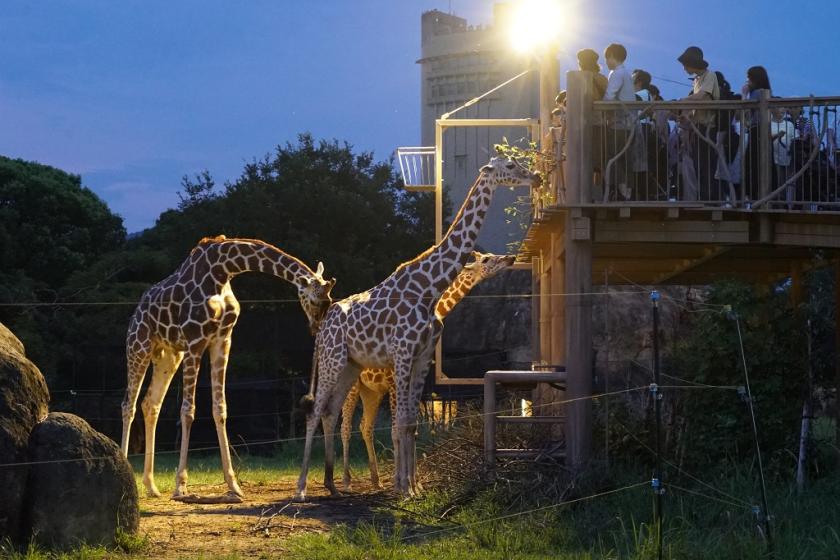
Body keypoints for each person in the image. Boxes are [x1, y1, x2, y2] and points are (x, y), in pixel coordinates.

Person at [676, 46, 720, 201]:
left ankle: (710, 200)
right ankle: (703, 199)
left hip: (707, 128)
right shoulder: (697, 80)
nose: (684, 68)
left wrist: (681, 101)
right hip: (697, 127)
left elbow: (701, 97)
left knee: (707, 166)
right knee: (699, 165)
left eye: (685, 65)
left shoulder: (710, 75)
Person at [603, 43, 636, 200]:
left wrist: (598, 107)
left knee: (612, 156)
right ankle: (628, 190)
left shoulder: (616, 74)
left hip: (619, 123)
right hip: (630, 124)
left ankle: (622, 189)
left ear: (611, 56)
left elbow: (609, 97)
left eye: (607, 58)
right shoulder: (627, 74)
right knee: (626, 158)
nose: (606, 62)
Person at [576, 48, 608, 200]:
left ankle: (585, 193)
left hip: (582, 125)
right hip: (600, 122)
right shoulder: (602, 79)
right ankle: (598, 194)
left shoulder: (578, 79)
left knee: (583, 159)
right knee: (598, 160)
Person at [741, 66, 773, 200]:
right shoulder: (764, 92)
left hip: (757, 130)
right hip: (759, 130)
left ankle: (756, 196)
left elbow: (746, 111)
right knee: (756, 163)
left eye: (749, 77)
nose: (747, 81)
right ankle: (760, 196)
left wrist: (744, 94)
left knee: (753, 164)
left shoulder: (758, 93)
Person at [770, 103, 797, 207]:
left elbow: (795, 138)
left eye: (784, 107)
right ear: (772, 109)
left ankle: (788, 205)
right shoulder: (768, 124)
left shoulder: (789, 125)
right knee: (776, 183)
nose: (783, 109)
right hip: (773, 159)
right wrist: (777, 136)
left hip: (788, 159)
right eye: (779, 106)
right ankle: (777, 204)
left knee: (787, 183)